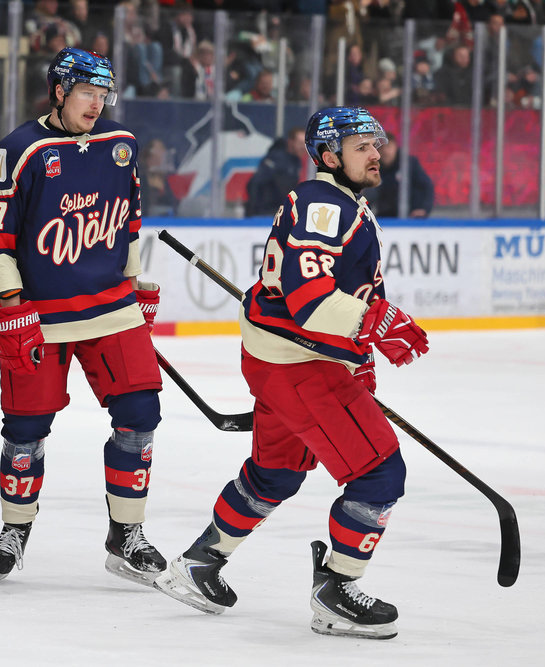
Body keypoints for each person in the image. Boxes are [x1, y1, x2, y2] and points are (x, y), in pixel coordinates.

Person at [154, 106, 430, 640]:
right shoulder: (324, 205)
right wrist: (374, 322)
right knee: (378, 473)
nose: (377, 153)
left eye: (378, 143)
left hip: (289, 358)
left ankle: (199, 565)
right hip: (298, 363)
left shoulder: (339, 201)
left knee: (275, 473)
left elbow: (331, 292)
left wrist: (359, 352)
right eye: (361, 146)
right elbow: (308, 300)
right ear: (329, 156)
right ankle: (337, 592)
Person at [0, 47, 165, 587]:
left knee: (140, 414)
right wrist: (10, 304)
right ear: (59, 91)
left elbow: (128, 221)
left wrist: (132, 281)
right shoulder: (19, 150)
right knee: (26, 429)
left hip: (111, 308)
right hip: (43, 315)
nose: (96, 104)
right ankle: (15, 530)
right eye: (87, 93)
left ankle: (126, 535)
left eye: (103, 95)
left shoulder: (120, 144)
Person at [363, 132, 434, 218]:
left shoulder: (409, 164)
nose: (385, 151)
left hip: (411, 217)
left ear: (395, 147)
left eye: (388, 147)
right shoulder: (373, 168)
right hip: (385, 217)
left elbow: (427, 186)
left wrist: (424, 208)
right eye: (381, 148)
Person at [245, 126, 304, 216]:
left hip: (282, 211)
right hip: (266, 212)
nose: (303, 147)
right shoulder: (276, 158)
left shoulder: (296, 161)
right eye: (300, 143)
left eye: (305, 143)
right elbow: (254, 183)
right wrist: (255, 208)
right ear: (291, 142)